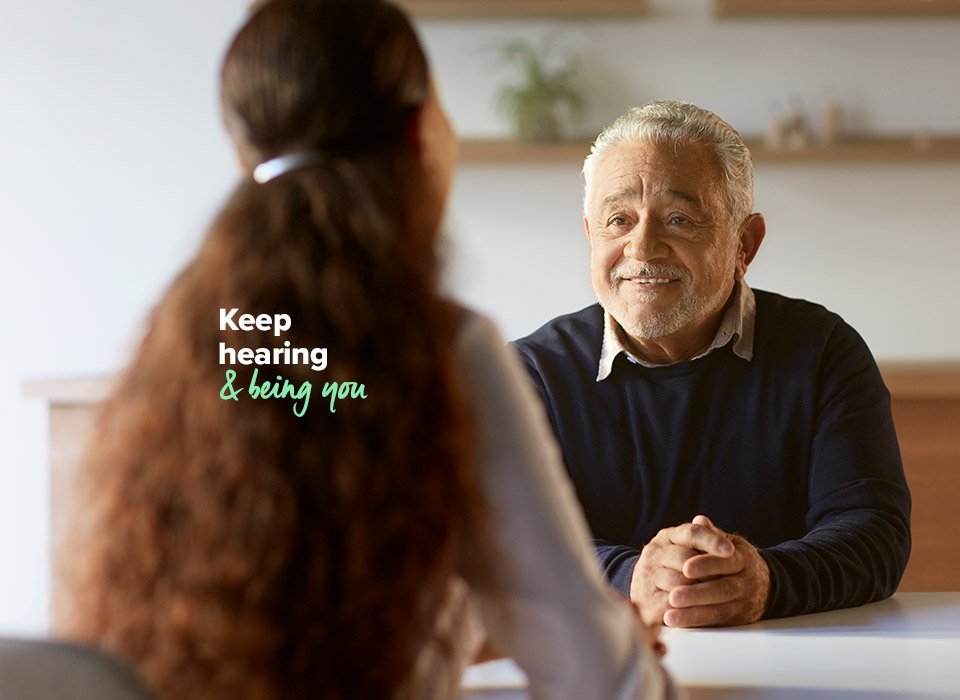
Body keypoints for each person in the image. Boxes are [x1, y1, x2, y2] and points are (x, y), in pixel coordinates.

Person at [56, 1, 676, 699]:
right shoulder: (444, 352)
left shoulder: (182, 341)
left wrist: (485, 632)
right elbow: (604, 684)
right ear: (418, 136)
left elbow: (282, 606)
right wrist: (606, 642)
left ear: (243, 150)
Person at [513, 100, 911, 629]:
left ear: (745, 243)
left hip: (792, 665)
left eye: (679, 219)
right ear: (591, 236)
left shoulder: (822, 352)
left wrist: (767, 580)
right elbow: (506, 538)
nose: (643, 247)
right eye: (619, 220)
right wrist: (629, 577)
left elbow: (873, 533)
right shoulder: (532, 372)